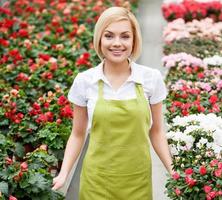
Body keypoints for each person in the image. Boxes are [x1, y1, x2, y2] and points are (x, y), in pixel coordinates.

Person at [51, 6, 173, 199]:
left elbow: (156, 131)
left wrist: (173, 171)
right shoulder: (85, 81)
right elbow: (77, 134)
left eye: (125, 36)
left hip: (137, 182)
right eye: (109, 36)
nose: (117, 43)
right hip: (96, 183)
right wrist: (64, 173)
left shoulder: (150, 79)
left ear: (134, 40)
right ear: (99, 39)